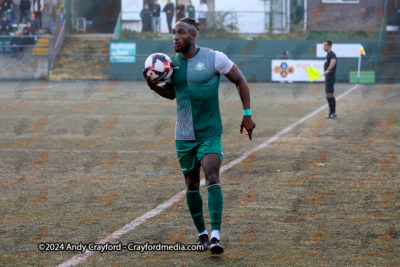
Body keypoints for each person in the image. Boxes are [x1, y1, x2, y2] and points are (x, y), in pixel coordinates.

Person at [143, 17, 256, 256]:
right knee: (191, 184)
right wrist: (155, 88)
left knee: (212, 177)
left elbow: (240, 80)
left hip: (210, 133)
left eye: (181, 32)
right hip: (183, 136)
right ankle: (201, 233)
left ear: (193, 36)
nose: (176, 37)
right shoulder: (170, 64)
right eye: (174, 33)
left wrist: (247, 114)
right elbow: (173, 94)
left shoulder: (215, 58)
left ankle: (215, 236)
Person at [323, 40, 337, 119]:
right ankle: (333, 113)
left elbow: (333, 61)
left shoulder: (331, 54)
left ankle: (332, 113)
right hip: (328, 78)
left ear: (329, 46)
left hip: (330, 77)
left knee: (329, 94)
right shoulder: (328, 55)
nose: (323, 46)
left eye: (325, 45)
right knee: (328, 94)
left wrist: (328, 70)